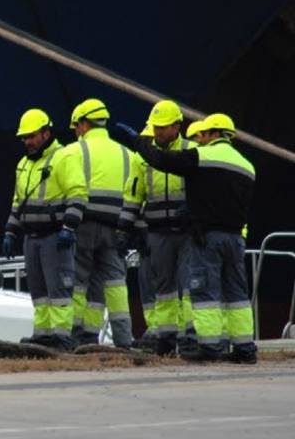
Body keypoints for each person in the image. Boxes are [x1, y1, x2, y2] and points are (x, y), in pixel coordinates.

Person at [110, 113, 257, 363]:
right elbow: (224, 199)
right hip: (235, 238)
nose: (199, 138)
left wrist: (138, 141)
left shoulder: (203, 156)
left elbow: (162, 160)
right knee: (237, 295)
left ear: (214, 134)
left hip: (207, 238)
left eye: (203, 134)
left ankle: (210, 347)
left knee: (204, 292)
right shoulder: (247, 166)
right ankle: (245, 348)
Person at [2, 108, 87, 349]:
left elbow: (78, 194)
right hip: (32, 237)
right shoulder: (23, 165)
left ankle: (61, 336)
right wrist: (10, 231)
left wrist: (69, 228)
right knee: (38, 293)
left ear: (46, 134)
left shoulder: (63, 158)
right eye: (24, 138)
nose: (27, 142)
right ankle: (43, 334)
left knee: (59, 289)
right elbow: (18, 202)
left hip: (54, 237)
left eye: (31, 136)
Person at [117, 100, 195, 355]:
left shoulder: (191, 151)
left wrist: (194, 212)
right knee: (164, 288)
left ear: (177, 127)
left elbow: (204, 191)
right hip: (158, 232)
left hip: (186, 233)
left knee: (187, 285)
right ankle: (166, 337)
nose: (158, 132)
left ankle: (189, 336)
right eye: (156, 128)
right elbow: (133, 196)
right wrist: (123, 230)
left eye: (163, 128)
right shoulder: (144, 159)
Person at [61, 98, 133, 347]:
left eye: (75, 127)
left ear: (83, 124)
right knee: (113, 283)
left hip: (83, 225)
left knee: (78, 282)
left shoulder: (73, 151)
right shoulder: (127, 154)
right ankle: (123, 339)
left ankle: (74, 337)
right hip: (117, 228)